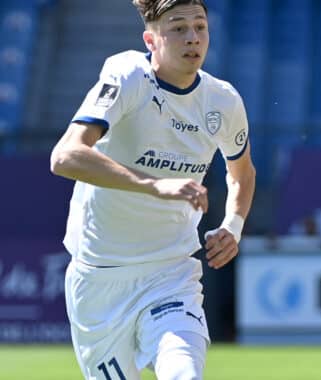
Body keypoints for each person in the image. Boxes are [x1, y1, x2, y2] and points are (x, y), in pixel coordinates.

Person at [49, 1, 255, 379]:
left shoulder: (223, 101)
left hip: (171, 274)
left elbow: (241, 171)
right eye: (178, 28)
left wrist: (233, 225)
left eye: (200, 26)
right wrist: (153, 184)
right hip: (100, 280)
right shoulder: (129, 76)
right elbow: (65, 156)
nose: (193, 37)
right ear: (151, 40)